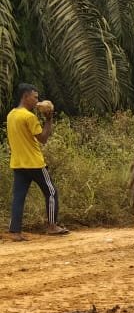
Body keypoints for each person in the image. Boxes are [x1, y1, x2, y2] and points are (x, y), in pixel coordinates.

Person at [6, 83, 69, 240]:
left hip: (18, 163)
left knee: (19, 198)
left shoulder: (11, 115)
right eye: (35, 97)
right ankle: (52, 226)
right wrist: (49, 119)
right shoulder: (29, 116)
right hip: (34, 163)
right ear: (25, 96)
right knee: (52, 192)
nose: (37, 100)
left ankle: (15, 232)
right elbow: (43, 139)